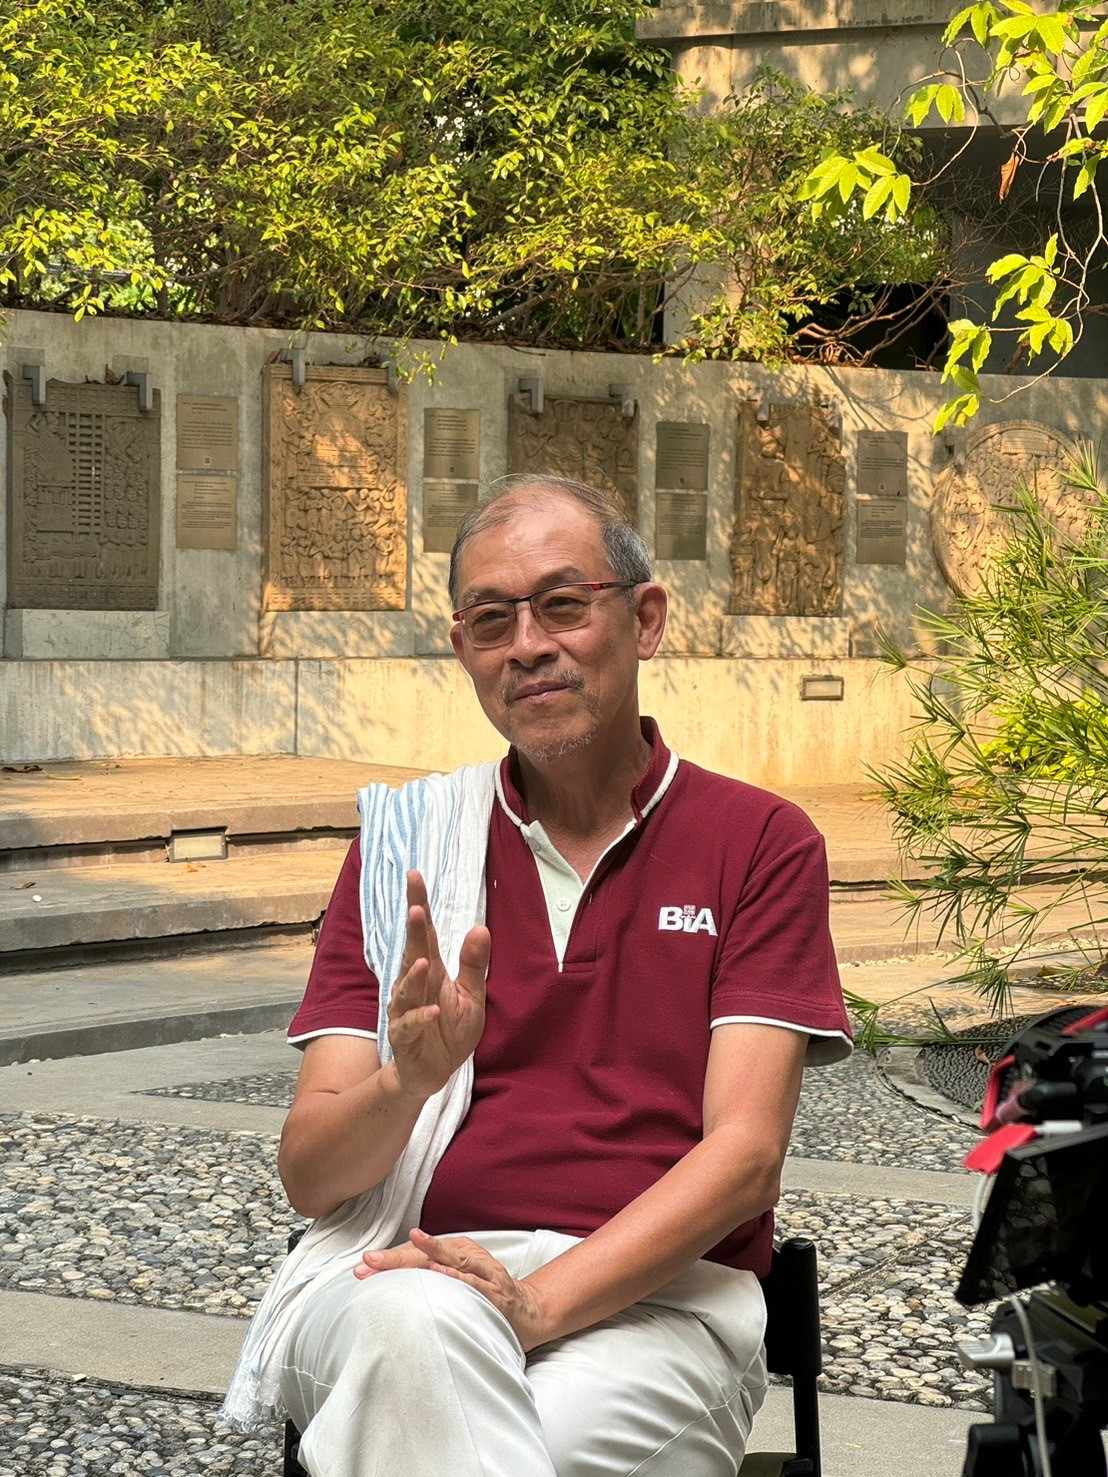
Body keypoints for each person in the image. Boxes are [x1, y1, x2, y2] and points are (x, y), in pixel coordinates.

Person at [247, 474, 852, 1476]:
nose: (526, 644)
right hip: (405, 1273)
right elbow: (313, 1177)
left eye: (562, 605)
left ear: (644, 619)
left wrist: (537, 1303)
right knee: (415, 1325)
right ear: (463, 650)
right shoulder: (407, 850)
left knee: (512, 1430)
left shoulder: (757, 843)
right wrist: (408, 1081)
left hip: (660, 1302)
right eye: (491, 619)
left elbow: (745, 1156)